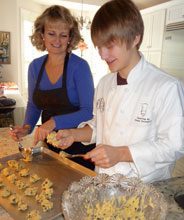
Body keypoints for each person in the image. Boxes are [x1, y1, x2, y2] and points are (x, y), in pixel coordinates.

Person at [55, 0, 184, 183]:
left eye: (109, 46)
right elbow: (100, 126)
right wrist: (74, 134)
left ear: (135, 38)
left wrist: (121, 153)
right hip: (105, 181)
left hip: (146, 188)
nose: (102, 55)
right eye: (99, 46)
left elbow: (173, 146)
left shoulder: (166, 87)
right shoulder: (104, 84)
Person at [10, 5, 95, 170]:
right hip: (51, 145)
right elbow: (34, 105)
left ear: (70, 38)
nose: (57, 41)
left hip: (79, 146)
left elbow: (88, 111)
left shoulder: (80, 67)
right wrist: (27, 128)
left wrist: (53, 122)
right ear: (42, 35)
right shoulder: (35, 67)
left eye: (63, 35)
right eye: (51, 34)